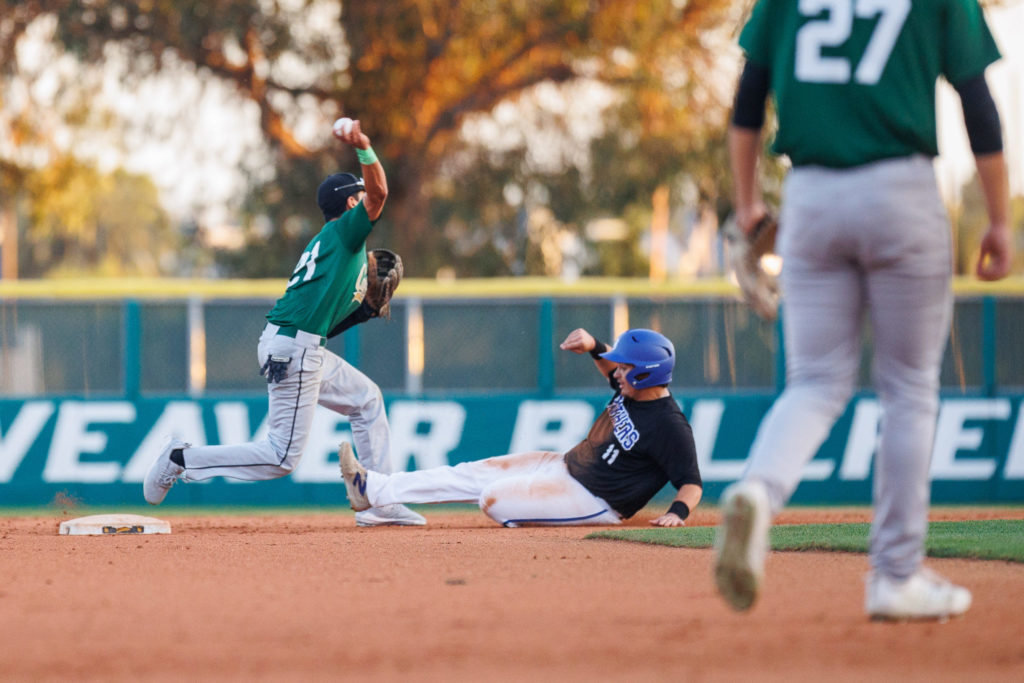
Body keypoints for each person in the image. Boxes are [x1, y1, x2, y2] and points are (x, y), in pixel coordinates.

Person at [715, 0, 1013, 619]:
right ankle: (896, 575)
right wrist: (1000, 220)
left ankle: (757, 493)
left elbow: (748, 101)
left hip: (812, 195)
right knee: (908, 389)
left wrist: (747, 207)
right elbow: (977, 103)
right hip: (899, 190)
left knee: (815, 384)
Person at [143, 116, 425, 527]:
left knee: (367, 400)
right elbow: (380, 191)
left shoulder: (332, 247)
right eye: (359, 197)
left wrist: (361, 310)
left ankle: (382, 498)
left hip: (300, 343)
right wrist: (363, 144)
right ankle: (181, 459)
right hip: (295, 348)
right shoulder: (345, 235)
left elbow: (321, 323)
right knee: (280, 456)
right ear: (350, 204)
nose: (367, 200)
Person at [338, 328, 703, 527]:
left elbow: (691, 481)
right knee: (470, 473)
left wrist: (678, 514)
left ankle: (531, 519)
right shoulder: (631, 389)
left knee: (492, 498)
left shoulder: (669, 425)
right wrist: (595, 345)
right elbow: (610, 369)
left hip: (594, 501)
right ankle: (374, 489)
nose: (617, 371)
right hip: (562, 464)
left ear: (645, 373)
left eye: (625, 367)